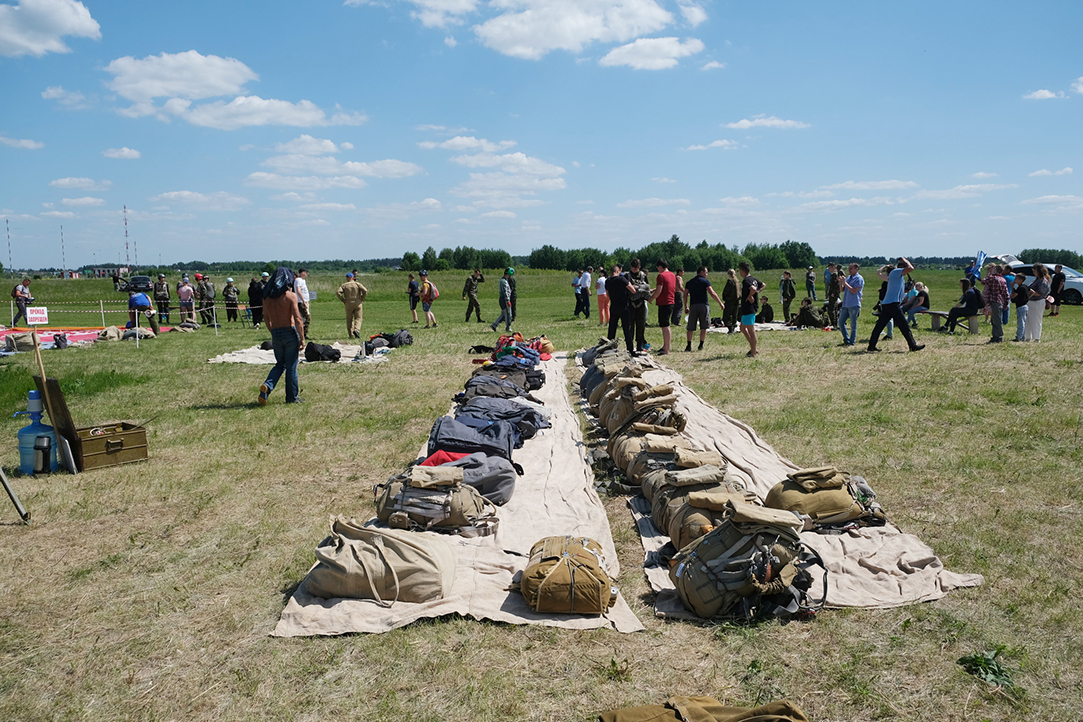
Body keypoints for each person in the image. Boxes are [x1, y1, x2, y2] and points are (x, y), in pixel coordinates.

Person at [258, 267, 305, 405]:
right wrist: (302, 338)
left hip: (276, 332)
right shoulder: (290, 296)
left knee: (280, 364)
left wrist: (272, 331)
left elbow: (266, 318)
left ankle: (267, 386)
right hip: (289, 332)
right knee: (291, 366)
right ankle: (291, 397)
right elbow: (298, 319)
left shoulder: (267, 298)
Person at [867, 257, 924, 353]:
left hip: (888, 304)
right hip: (892, 304)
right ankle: (912, 345)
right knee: (904, 325)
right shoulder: (896, 272)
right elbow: (911, 268)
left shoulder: (897, 276)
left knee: (880, 326)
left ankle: (871, 346)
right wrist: (905, 260)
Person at [683, 266, 725, 352]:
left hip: (693, 306)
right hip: (703, 306)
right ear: (701, 272)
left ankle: (689, 345)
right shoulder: (705, 282)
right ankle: (701, 345)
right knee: (703, 326)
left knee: (690, 327)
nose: (707, 274)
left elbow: (685, 295)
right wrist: (720, 303)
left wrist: (686, 306)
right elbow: (712, 293)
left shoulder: (689, 282)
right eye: (706, 272)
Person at [605, 264, 636, 354]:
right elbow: (633, 290)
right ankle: (630, 349)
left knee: (612, 328)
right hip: (624, 306)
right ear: (618, 271)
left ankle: (609, 349)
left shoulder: (608, 281)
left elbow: (607, 295)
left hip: (614, 306)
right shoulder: (622, 279)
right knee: (626, 328)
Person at [649, 258, 676, 355]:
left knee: (665, 326)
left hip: (664, 303)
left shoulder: (661, 276)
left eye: (658, 267)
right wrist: (654, 289)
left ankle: (666, 349)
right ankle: (665, 346)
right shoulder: (672, 275)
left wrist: (651, 298)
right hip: (671, 302)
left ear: (660, 267)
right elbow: (666, 286)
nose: (657, 269)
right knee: (665, 325)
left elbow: (659, 291)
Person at [737, 261, 763, 357]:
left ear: (742, 271)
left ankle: (753, 352)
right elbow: (763, 284)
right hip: (750, 308)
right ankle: (753, 348)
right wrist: (756, 293)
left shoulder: (746, 281)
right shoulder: (753, 279)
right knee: (742, 328)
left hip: (749, 308)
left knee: (751, 330)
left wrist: (750, 295)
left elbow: (752, 289)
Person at [980, 264, 1009, 343]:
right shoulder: (1002, 279)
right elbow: (1006, 293)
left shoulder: (992, 278)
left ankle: (999, 336)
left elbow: (983, 281)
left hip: (994, 301)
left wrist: (988, 273)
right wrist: (1006, 302)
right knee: (995, 319)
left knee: (996, 320)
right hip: (1000, 301)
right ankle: (995, 336)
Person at [627, 259, 650, 352]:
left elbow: (647, 287)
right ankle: (630, 345)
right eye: (633, 267)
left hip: (641, 304)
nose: (634, 269)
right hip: (630, 304)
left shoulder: (643, 276)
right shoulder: (627, 276)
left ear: (639, 267)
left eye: (636, 268)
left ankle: (640, 344)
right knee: (630, 326)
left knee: (641, 326)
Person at [336, 272, 368, 338]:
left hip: (348, 303)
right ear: (353, 277)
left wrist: (343, 300)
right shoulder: (357, 284)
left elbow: (338, 292)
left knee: (349, 319)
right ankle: (357, 330)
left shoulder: (344, 285)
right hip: (357, 302)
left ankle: (351, 334)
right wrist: (362, 298)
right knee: (358, 318)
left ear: (347, 278)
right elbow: (365, 290)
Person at [838, 263, 863, 346]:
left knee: (853, 324)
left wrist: (845, 283)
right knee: (841, 322)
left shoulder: (859, 279)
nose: (849, 270)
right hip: (845, 304)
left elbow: (854, 291)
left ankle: (851, 342)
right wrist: (840, 282)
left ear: (856, 269)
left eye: (851, 268)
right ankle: (846, 339)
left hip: (854, 304)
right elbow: (842, 290)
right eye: (849, 268)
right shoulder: (848, 278)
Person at [1025, 263, 1051, 342]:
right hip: (1031, 302)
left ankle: (1036, 338)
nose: (1033, 272)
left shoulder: (1043, 281)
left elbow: (1041, 293)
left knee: (1036, 320)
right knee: (1028, 320)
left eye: (1034, 271)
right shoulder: (1036, 279)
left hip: (1038, 302)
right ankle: (1028, 337)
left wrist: (1031, 292)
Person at [490, 268, 514, 333]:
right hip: (504, 299)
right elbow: (505, 292)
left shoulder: (504, 281)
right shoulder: (503, 281)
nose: (511, 277)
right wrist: (507, 300)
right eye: (511, 275)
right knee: (508, 314)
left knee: (503, 314)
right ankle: (508, 327)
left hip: (503, 299)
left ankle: (494, 325)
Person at [1011, 273, 1029, 342]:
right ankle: (1023, 336)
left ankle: (1019, 336)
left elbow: (1013, 296)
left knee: (1021, 322)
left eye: (1016, 279)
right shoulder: (1025, 286)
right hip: (1025, 305)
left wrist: (1012, 287)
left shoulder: (1020, 288)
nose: (1015, 280)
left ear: (1021, 280)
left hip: (1021, 306)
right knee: (1023, 322)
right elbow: (1032, 291)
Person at [293, 268, 311, 336]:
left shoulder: (302, 280)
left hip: (304, 301)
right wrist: (303, 301)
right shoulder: (298, 280)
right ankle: (303, 334)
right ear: (302, 273)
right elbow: (298, 290)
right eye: (305, 272)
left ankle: (302, 333)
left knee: (304, 318)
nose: (306, 274)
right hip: (301, 302)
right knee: (306, 318)